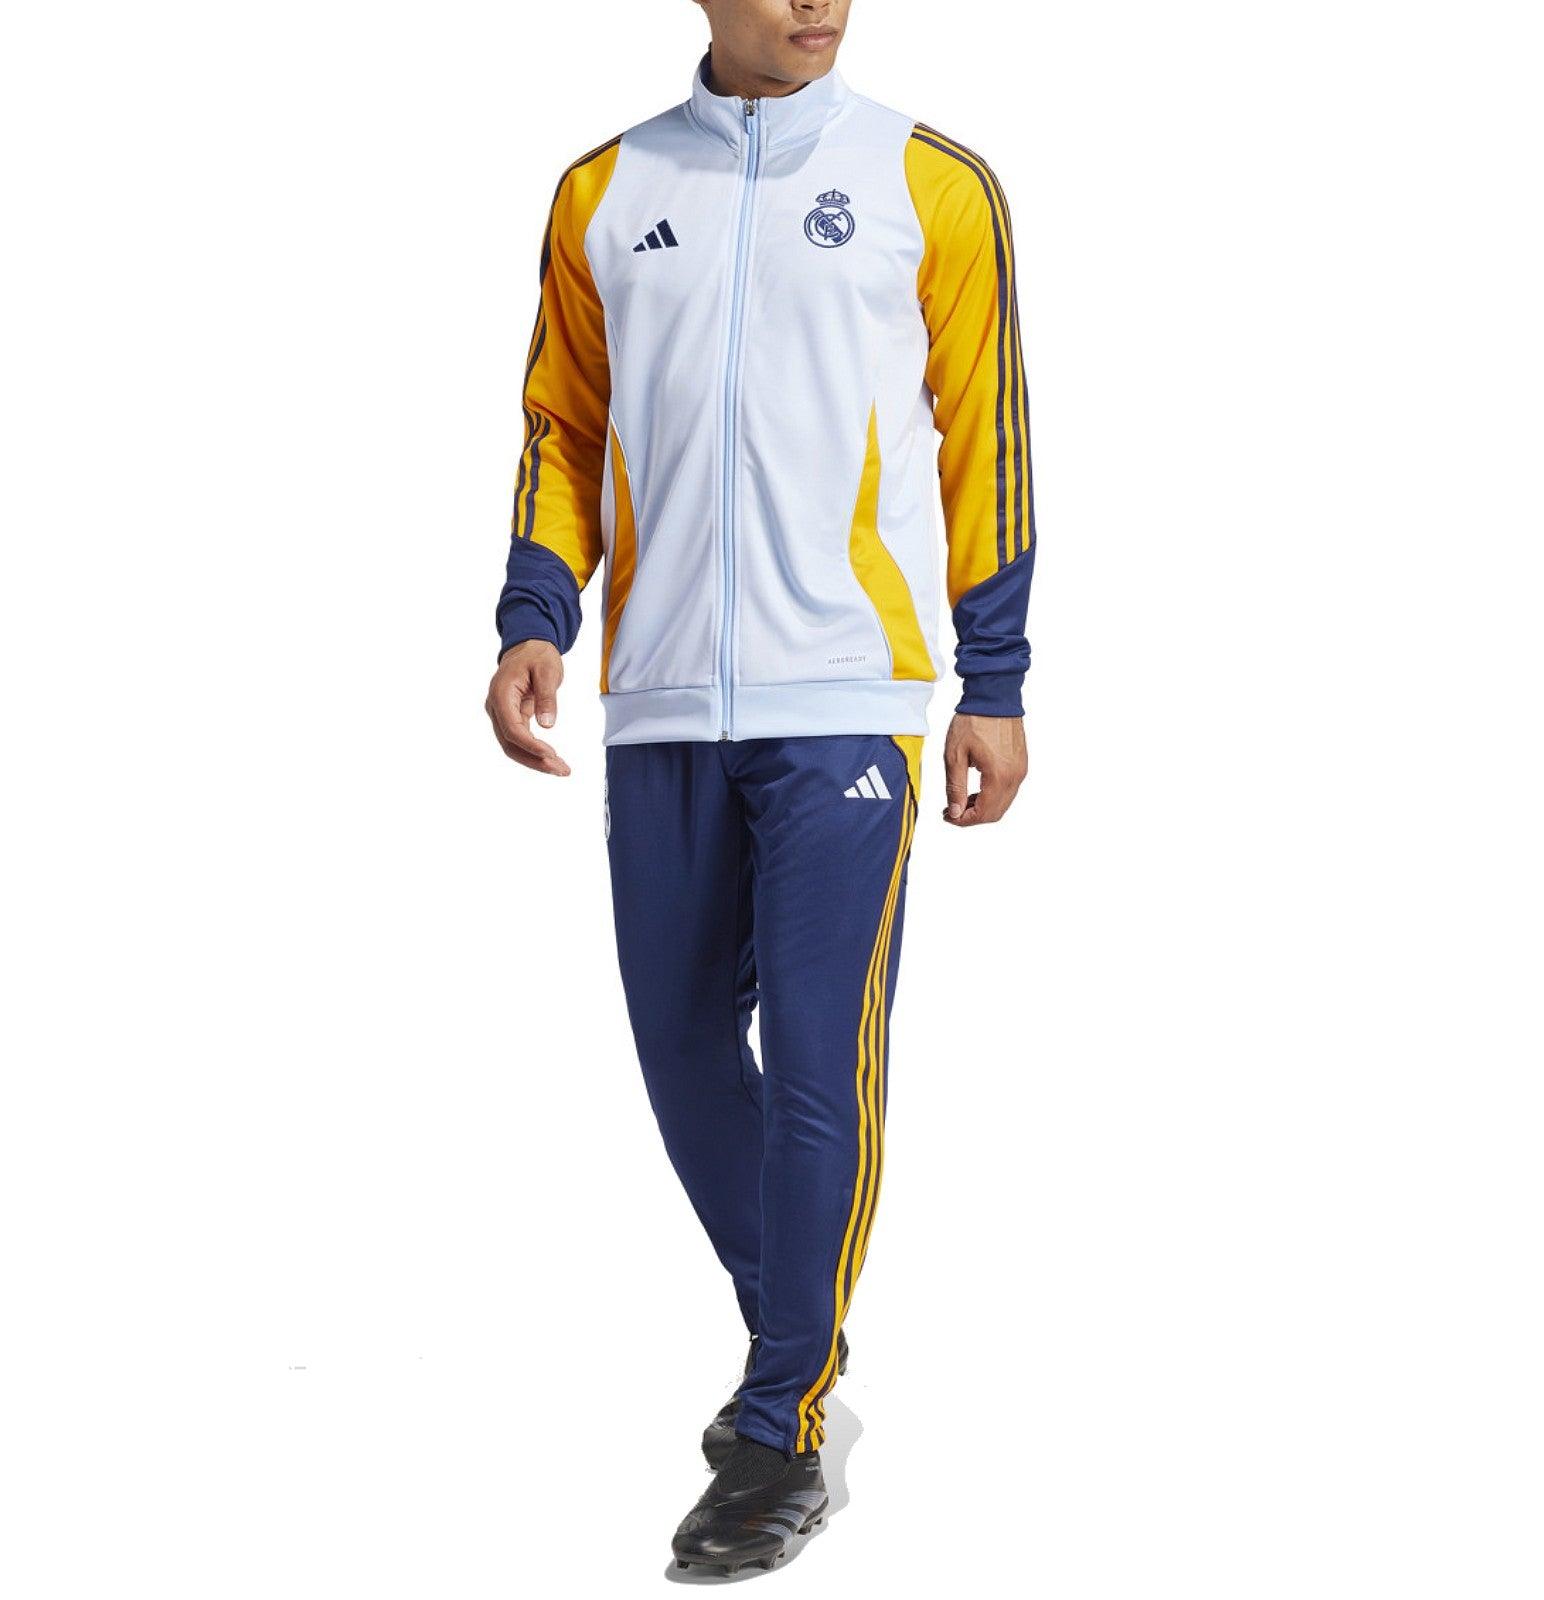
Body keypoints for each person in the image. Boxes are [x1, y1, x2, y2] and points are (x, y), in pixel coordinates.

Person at [485, 0, 1035, 1573]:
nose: (818, 4)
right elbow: (563, 426)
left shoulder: (931, 182)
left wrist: (993, 680)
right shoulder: (604, 189)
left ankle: (780, 1415)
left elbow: (986, 435)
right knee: (677, 1051)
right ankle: (803, 1326)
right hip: (660, 698)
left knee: (813, 1060)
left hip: (845, 703)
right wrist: (535, 613)